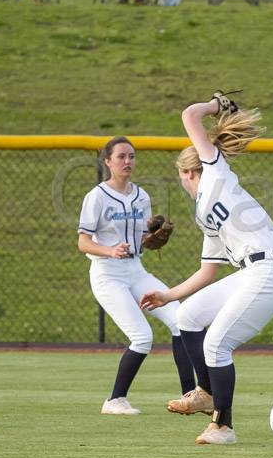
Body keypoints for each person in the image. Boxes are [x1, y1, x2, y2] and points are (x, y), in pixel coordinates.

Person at [140, 97, 273, 446]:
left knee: (216, 344)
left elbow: (188, 114)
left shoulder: (215, 171)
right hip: (252, 271)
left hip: (271, 270)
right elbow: (206, 273)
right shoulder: (204, 213)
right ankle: (206, 392)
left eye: (180, 173)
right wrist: (168, 295)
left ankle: (222, 427)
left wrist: (217, 103)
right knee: (188, 316)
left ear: (187, 172)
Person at [78, 136, 193, 416]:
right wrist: (109, 250)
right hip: (108, 275)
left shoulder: (141, 196)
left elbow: (143, 237)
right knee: (142, 337)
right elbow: (83, 242)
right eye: (121, 157)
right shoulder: (97, 197)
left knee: (181, 318)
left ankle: (191, 395)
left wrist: (153, 236)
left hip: (136, 271)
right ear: (107, 161)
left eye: (131, 156)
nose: (127, 161)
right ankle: (115, 400)